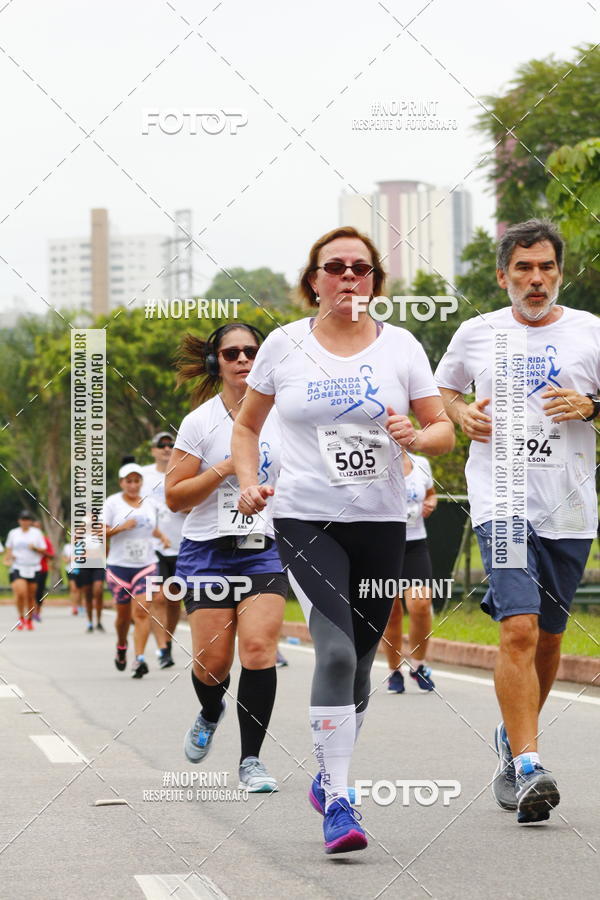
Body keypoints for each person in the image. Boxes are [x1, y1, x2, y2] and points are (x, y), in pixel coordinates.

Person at [231, 226, 454, 854]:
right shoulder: (283, 345)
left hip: (382, 522)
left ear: (376, 284)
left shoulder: (402, 346)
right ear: (314, 281)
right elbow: (247, 428)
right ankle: (339, 800)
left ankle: (330, 774)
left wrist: (417, 434)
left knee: (357, 665)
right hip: (305, 519)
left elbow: (444, 432)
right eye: (336, 267)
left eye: (362, 268)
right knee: (331, 654)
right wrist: (249, 484)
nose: (349, 276)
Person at [435, 218, 600, 825]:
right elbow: (442, 391)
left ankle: (513, 736)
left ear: (559, 272)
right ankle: (529, 764)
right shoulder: (477, 333)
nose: (536, 280)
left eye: (547, 268)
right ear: (503, 275)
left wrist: (591, 405)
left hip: (571, 505)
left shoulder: (591, 332)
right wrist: (460, 416)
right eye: (524, 269)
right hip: (500, 498)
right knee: (520, 629)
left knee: (550, 636)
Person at [165, 323, 288, 793]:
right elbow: (176, 498)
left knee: (258, 650)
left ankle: (251, 760)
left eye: (252, 351)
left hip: (264, 548)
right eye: (231, 352)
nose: (242, 359)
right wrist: (229, 465)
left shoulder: (283, 415)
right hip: (208, 552)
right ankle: (210, 710)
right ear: (217, 361)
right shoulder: (200, 422)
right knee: (211, 664)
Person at [104, 462, 169, 677]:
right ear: (121, 482)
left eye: (137, 480)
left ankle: (139, 659)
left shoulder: (149, 504)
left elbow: (153, 528)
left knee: (142, 611)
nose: (133, 485)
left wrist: (162, 537)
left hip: (146, 564)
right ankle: (122, 645)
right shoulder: (112, 503)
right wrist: (122, 527)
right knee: (123, 618)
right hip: (119, 567)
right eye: (128, 481)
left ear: (141, 482)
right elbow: (101, 532)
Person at [383, 452, 437, 693]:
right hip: (383, 545)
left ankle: (418, 664)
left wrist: (431, 503)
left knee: (420, 604)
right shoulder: (374, 462)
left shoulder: (421, 463)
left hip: (415, 544)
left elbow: (432, 493)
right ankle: (394, 671)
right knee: (391, 612)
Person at [140, 432, 187, 667]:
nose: (167, 448)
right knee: (158, 597)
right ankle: (161, 649)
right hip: (153, 547)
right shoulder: (142, 476)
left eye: (171, 445)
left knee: (173, 601)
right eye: (162, 445)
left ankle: (167, 643)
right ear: (153, 450)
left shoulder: (186, 470)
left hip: (182, 543)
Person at [4, 511, 46, 631]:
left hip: (33, 567)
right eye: (23, 519)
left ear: (30, 521)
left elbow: (43, 549)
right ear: (19, 521)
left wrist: (35, 548)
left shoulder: (36, 533)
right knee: (21, 593)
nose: (25, 521)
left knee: (31, 596)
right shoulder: (13, 533)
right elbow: (9, 548)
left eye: (27, 519)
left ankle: (29, 619)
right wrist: (8, 559)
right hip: (18, 566)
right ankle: (21, 617)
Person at [31, 519, 55, 623]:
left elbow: (51, 556)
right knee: (29, 591)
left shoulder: (45, 540)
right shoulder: (27, 540)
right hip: (29, 568)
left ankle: (37, 612)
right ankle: (30, 611)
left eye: (38, 527)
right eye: (34, 527)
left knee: (39, 592)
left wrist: (38, 550)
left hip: (42, 569)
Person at [62, 542, 80, 615]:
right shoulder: (67, 546)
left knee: (79, 589)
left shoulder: (82, 545)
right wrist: (68, 559)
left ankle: (79, 605)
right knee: (73, 588)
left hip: (81, 569)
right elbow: (64, 558)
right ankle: (74, 607)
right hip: (70, 570)